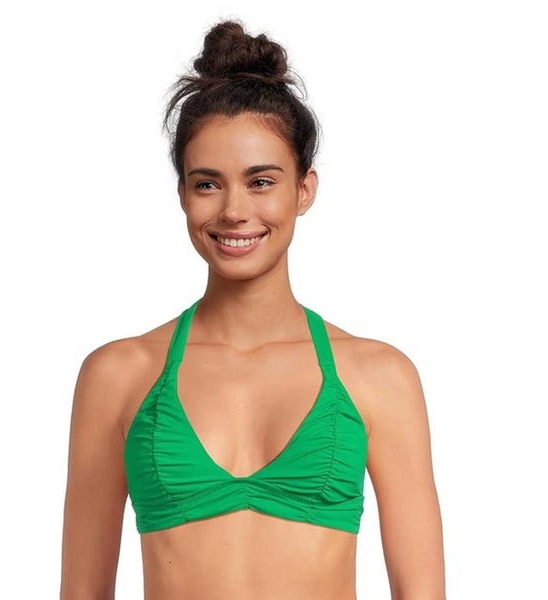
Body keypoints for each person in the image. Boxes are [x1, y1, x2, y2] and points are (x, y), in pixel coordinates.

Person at [60, 20, 445, 600]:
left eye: (261, 181)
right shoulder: (118, 375)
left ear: (304, 190)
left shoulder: (378, 376)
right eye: (207, 184)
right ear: (183, 194)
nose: (234, 210)